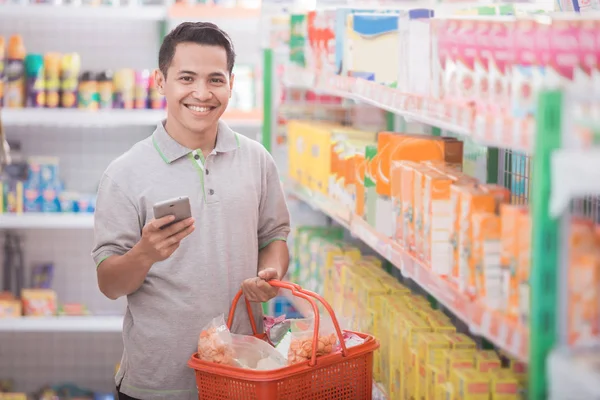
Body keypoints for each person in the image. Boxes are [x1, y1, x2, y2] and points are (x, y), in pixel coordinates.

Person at [91, 22, 291, 400]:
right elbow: (109, 284)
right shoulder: (124, 174)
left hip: (243, 374)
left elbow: (275, 236)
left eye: (216, 79)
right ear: (160, 81)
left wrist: (271, 273)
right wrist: (145, 254)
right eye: (187, 78)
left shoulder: (257, 160)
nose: (202, 93)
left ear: (231, 83)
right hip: (157, 384)